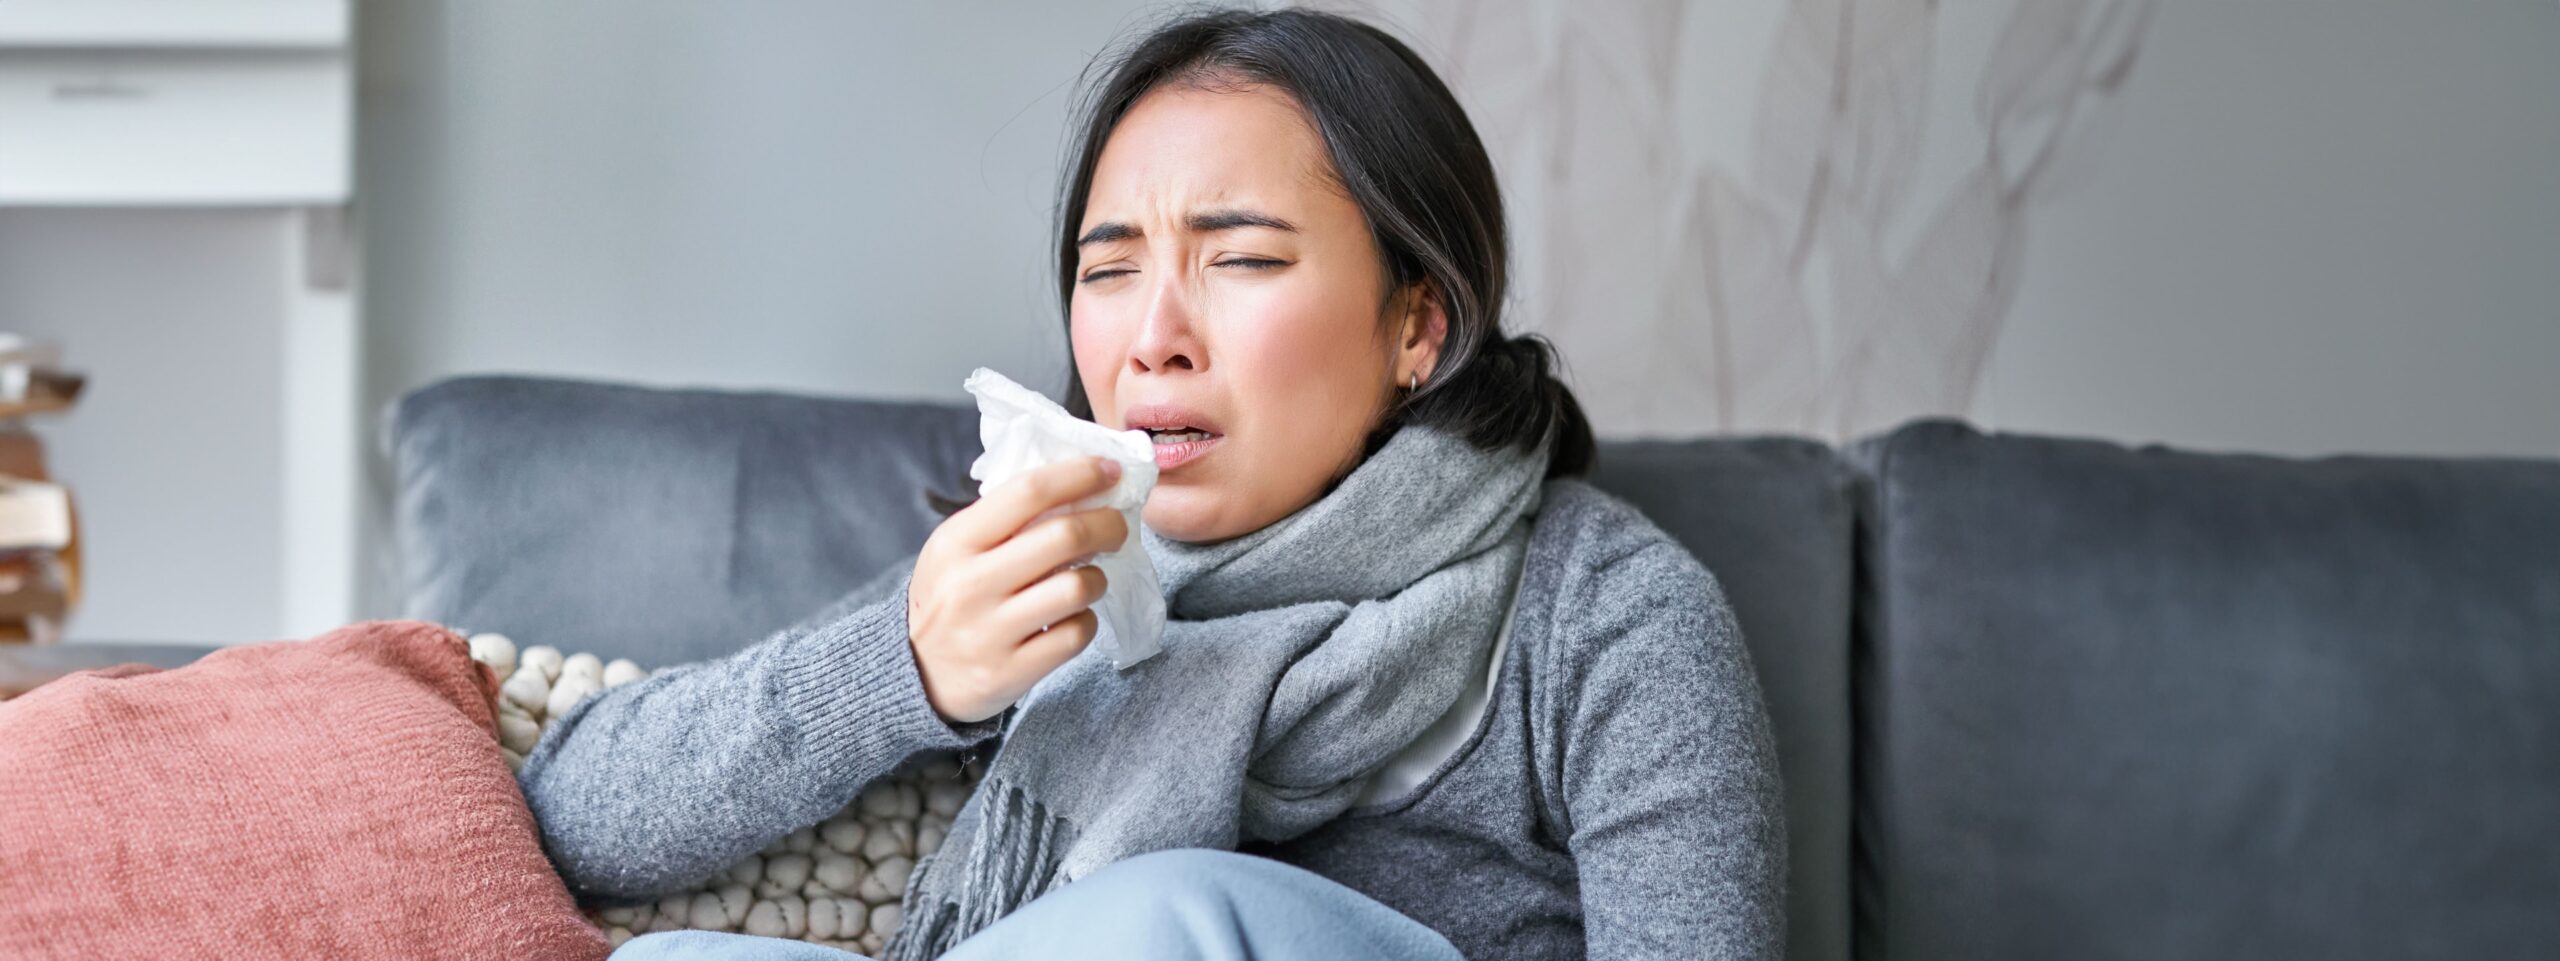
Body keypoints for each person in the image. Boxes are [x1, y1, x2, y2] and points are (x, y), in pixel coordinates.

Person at [519, 8, 1784, 960]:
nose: (1151, 338)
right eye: (1109, 269)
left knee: (1163, 916)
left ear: (1419, 324)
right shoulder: (1040, 563)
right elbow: (573, 816)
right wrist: (908, 668)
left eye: (1237, 258)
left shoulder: (1603, 614)